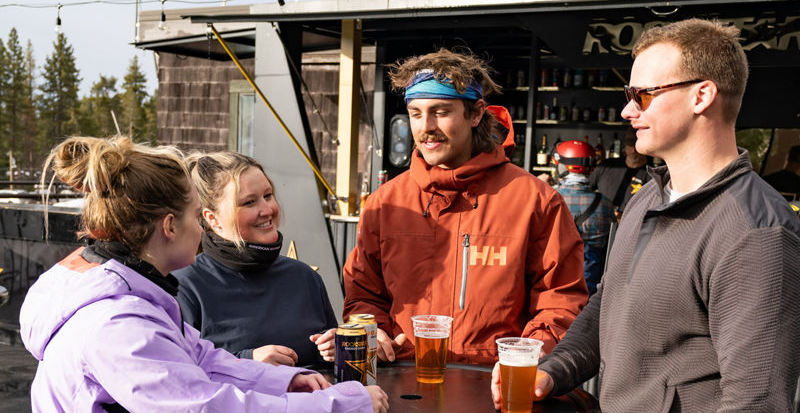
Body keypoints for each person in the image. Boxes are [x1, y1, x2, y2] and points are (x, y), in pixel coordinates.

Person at [493, 19, 800, 411]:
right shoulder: (647, 197)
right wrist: (553, 369)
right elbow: (608, 307)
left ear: (702, 96)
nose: (627, 110)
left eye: (643, 95)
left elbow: (756, 401)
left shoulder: (758, 233)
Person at [19, 136, 387, 412]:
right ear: (168, 226)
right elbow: (206, 407)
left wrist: (287, 380)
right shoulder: (116, 324)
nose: (203, 230)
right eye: (198, 217)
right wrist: (345, 404)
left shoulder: (133, 293)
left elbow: (202, 359)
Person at [343, 48, 588, 366]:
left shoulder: (535, 201)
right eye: (415, 113)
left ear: (475, 114)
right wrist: (374, 330)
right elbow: (363, 293)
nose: (425, 127)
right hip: (400, 378)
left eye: (440, 111)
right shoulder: (385, 202)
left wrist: (525, 359)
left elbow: (560, 301)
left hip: (492, 385)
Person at [173, 151, 338, 366]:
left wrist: (338, 349)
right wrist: (246, 362)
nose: (267, 209)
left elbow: (329, 369)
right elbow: (177, 376)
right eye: (249, 202)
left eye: (268, 196)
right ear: (212, 219)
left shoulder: (305, 278)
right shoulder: (184, 288)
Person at [549, 140, 614, 296]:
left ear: (562, 166)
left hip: (552, 287)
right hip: (589, 289)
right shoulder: (605, 204)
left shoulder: (546, 198)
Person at [587, 127, 650, 217]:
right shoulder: (606, 166)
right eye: (630, 145)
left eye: (636, 145)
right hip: (602, 223)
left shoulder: (652, 174)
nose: (633, 150)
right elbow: (585, 191)